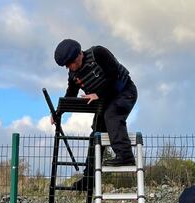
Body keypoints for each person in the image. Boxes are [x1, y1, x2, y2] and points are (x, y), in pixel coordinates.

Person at [53, 38, 138, 167]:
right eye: (67, 65)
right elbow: (71, 94)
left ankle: (125, 156)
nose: (70, 67)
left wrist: (98, 94)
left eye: (71, 62)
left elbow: (114, 75)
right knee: (96, 133)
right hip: (105, 101)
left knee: (112, 115)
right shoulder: (74, 75)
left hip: (125, 92)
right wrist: (57, 113)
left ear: (79, 54)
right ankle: (89, 179)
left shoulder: (98, 53)